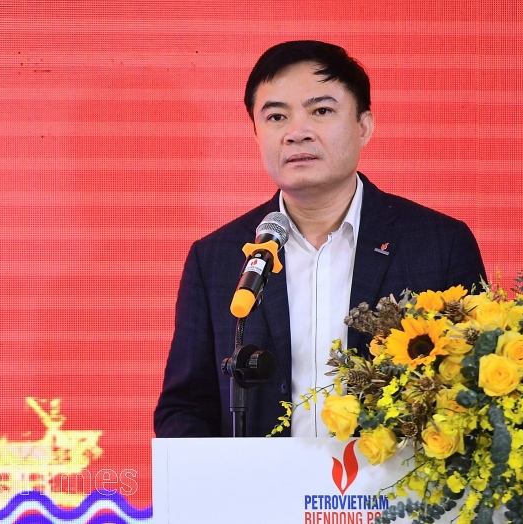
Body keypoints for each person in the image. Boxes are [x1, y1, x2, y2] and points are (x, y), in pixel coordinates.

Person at [153, 40, 486, 438]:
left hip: (392, 478)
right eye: (277, 117)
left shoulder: (439, 245)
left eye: (321, 111)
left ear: (363, 127)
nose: (296, 133)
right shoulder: (216, 258)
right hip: (260, 480)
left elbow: (474, 390)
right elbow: (186, 407)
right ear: (256, 134)